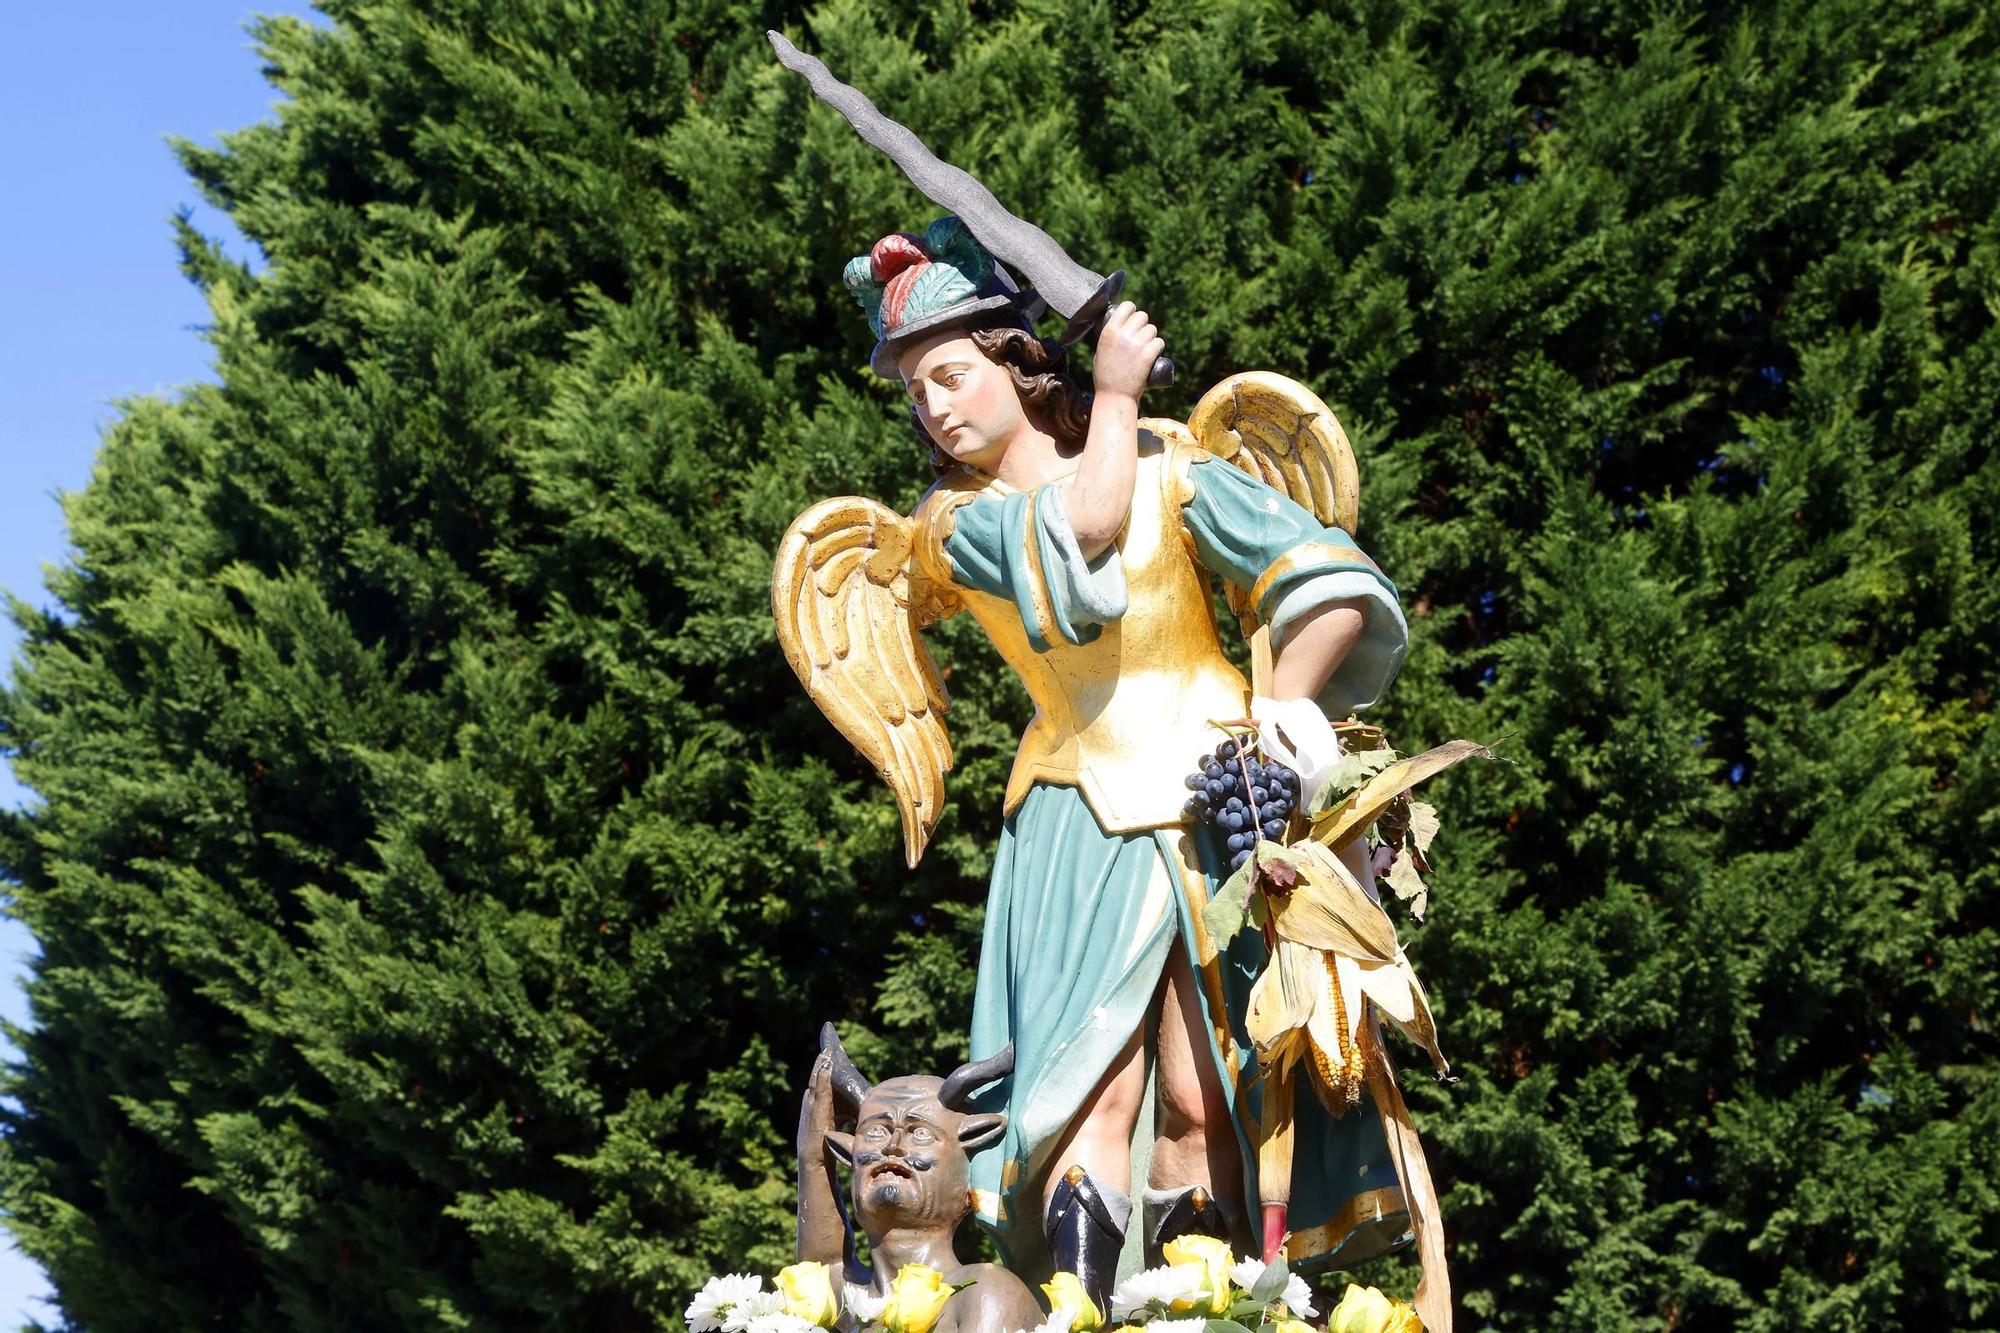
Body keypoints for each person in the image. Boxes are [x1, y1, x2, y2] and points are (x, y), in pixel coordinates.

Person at [825, 216, 1414, 1303]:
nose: (935, 408)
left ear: (1013, 361)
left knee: (1207, 1093)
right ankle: (1078, 1313)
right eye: (915, 392)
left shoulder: (1169, 466)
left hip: (1219, 809)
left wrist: (1284, 709)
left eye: (950, 375)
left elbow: (1328, 577)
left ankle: (1198, 1309)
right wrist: (1113, 391)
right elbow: (1084, 540)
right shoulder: (953, 526)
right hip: (1077, 820)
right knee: (1083, 1090)